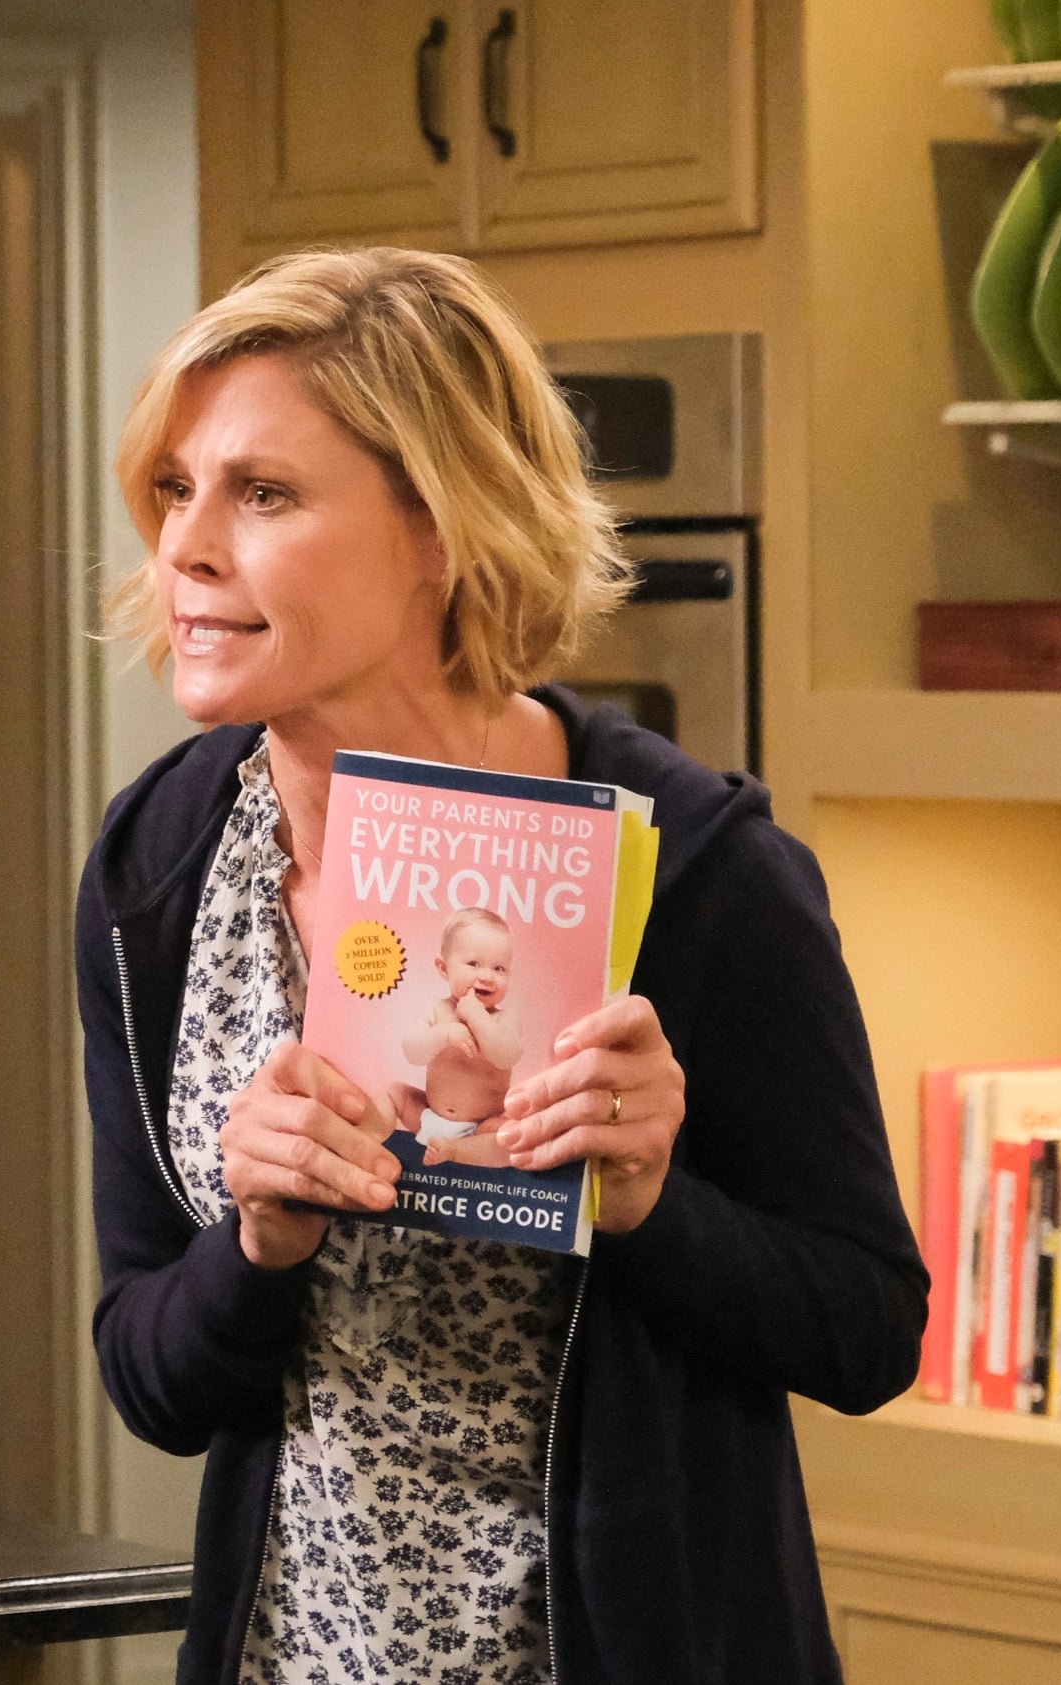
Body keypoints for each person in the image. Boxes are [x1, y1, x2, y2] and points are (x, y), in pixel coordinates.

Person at [79, 249, 923, 1685]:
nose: (186, 548)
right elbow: (148, 1374)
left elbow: (867, 1328)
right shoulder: (156, 862)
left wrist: (651, 1205)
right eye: (174, 488)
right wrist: (257, 1243)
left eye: (263, 493)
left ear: (440, 524)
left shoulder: (707, 874)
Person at [392, 907, 524, 1168]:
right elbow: (411, 1051)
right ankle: (368, 1134)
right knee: (394, 1093)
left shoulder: (505, 1019)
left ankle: (456, 1150)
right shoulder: (437, 1010)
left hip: (483, 1126)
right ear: (444, 968)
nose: (486, 976)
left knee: (514, 1136)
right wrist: (443, 1034)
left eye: (499, 968)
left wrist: (476, 1016)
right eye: (473, 964)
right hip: (429, 1115)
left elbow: (507, 1056)